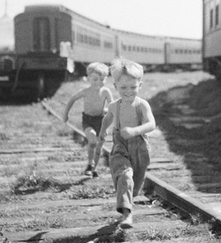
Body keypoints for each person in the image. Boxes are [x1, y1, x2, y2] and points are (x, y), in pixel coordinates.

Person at [97, 58, 156, 229]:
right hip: (120, 145)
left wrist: (135, 131)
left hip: (139, 147)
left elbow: (151, 124)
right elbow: (107, 118)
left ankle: (128, 200)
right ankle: (126, 215)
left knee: (135, 185)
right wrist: (102, 132)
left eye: (133, 87)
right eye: (123, 88)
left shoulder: (142, 105)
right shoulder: (115, 106)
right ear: (115, 87)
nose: (128, 91)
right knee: (125, 176)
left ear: (140, 86)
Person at [63, 62, 114, 177]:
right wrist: (66, 114)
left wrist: (112, 114)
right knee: (92, 141)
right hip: (88, 121)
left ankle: (93, 169)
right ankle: (89, 164)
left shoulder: (106, 91)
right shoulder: (85, 91)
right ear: (89, 78)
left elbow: (112, 105)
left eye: (102, 79)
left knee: (99, 145)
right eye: (95, 79)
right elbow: (72, 99)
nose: (98, 82)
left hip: (101, 121)